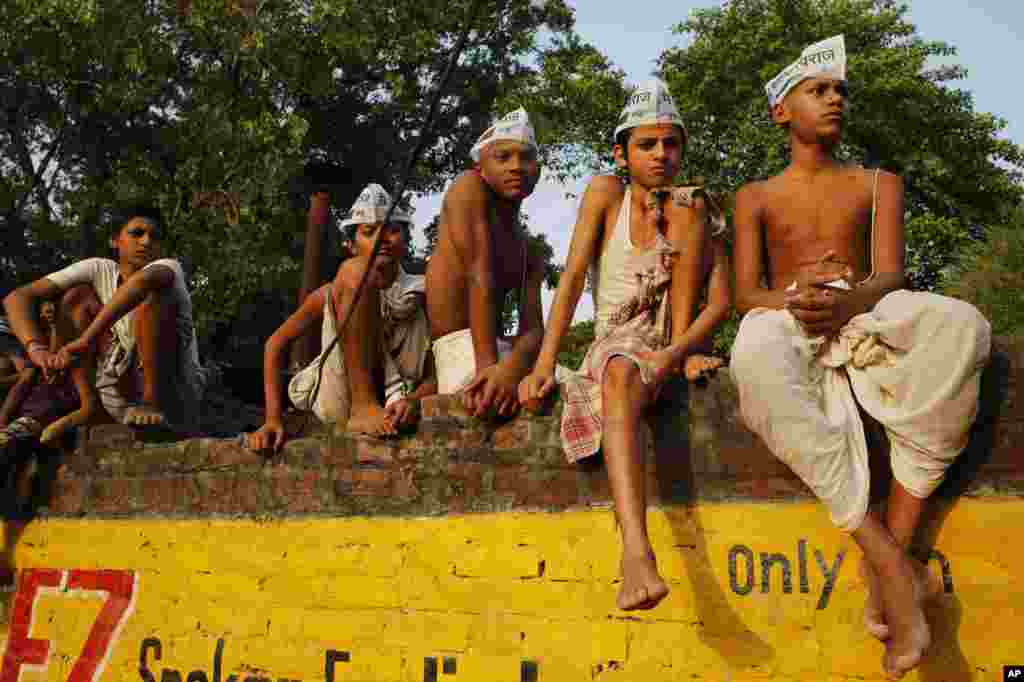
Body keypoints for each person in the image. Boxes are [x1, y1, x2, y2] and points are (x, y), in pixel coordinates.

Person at [728, 35, 990, 678]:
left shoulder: (879, 183)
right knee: (754, 356)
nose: (835, 99)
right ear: (781, 112)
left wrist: (848, 302)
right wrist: (798, 297)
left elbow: (890, 275)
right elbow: (745, 294)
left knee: (961, 325)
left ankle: (891, 559)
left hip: (864, 308)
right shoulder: (755, 196)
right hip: (788, 315)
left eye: (840, 90)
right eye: (818, 90)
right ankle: (890, 560)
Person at [519, 78, 731, 611]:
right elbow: (570, 281)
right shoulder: (604, 195)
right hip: (617, 343)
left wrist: (678, 353)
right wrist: (545, 361)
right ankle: (636, 551)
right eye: (647, 144)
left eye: (671, 143)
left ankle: (636, 555)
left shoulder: (694, 206)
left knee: (687, 207)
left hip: (671, 346)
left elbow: (720, 303)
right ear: (622, 152)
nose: (662, 154)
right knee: (617, 368)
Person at [247, 184, 435, 451]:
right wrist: (272, 419)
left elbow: (435, 371)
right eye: (369, 232)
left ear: (405, 240)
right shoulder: (332, 291)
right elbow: (274, 344)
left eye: (392, 229)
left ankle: (377, 407)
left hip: (402, 396)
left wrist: (414, 400)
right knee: (354, 273)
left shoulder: (424, 289)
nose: (382, 238)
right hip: (340, 399)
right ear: (350, 244)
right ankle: (363, 406)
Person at [3, 204, 206, 442]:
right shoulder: (99, 268)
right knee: (76, 296)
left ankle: (152, 402)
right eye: (137, 233)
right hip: (121, 388)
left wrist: (85, 339)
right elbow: (16, 298)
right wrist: (37, 349)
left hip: (174, 392)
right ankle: (90, 406)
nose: (147, 241)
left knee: (150, 299)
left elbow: (141, 284)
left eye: (155, 237)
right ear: (114, 240)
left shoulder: (168, 268)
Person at [425, 108, 550, 418]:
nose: (516, 167)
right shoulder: (468, 187)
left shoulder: (529, 249)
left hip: (500, 353)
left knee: (562, 387)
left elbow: (533, 328)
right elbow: (478, 276)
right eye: (503, 157)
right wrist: (489, 369)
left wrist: (511, 370)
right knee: (492, 402)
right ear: (480, 167)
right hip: (460, 349)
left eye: (526, 158)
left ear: (538, 171)